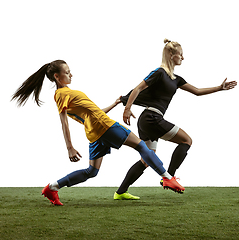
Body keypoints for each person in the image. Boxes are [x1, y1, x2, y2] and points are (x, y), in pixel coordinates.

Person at [11, 60, 185, 205]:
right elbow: (64, 122)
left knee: (91, 172)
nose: (71, 74)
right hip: (105, 126)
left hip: (94, 133)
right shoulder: (61, 94)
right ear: (57, 76)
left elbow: (93, 112)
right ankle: (167, 177)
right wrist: (70, 147)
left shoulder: (68, 93)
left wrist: (115, 103)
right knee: (141, 146)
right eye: (67, 72)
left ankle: (52, 188)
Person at [114, 39, 237, 199]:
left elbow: (197, 91)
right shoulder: (159, 73)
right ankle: (169, 177)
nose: (183, 58)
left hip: (149, 120)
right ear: (171, 55)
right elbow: (137, 88)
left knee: (146, 160)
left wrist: (220, 88)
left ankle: (121, 192)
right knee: (186, 140)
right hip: (151, 118)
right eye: (181, 55)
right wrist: (127, 108)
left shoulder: (176, 79)